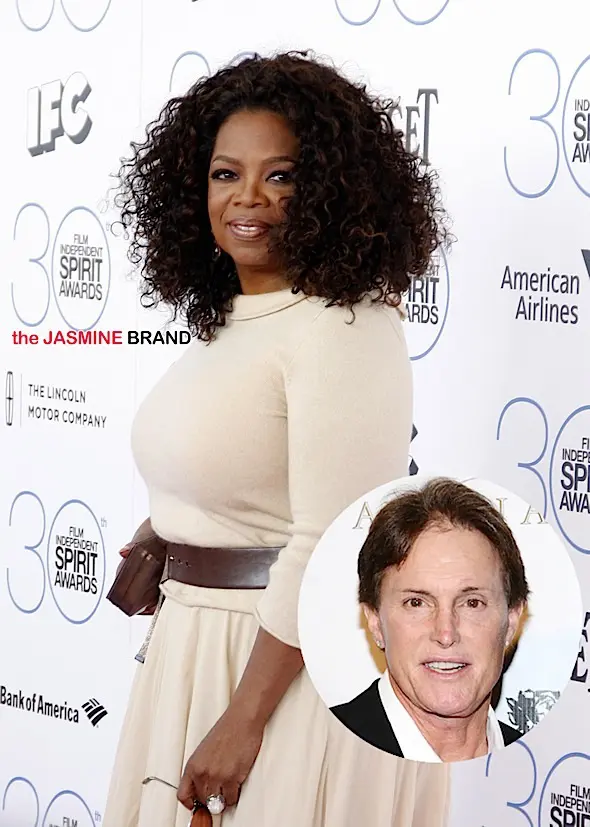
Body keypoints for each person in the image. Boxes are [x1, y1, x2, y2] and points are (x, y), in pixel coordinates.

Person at [103, 51, 450, 827]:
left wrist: (243, 719)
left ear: (329, 190)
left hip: (288, 673)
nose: (249, 197)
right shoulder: (235, 317)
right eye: (226, 174)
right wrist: (176, 524)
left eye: (281, 175)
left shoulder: (345, 324)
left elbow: (333, 539)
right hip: (203, 640)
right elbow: (250, 469)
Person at [331, 478, 529, 763]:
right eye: (417, 603)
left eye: (472, 603)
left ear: (511, 620)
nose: (446, 633)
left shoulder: (549, 759)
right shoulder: (317, 752)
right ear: (375, 620)